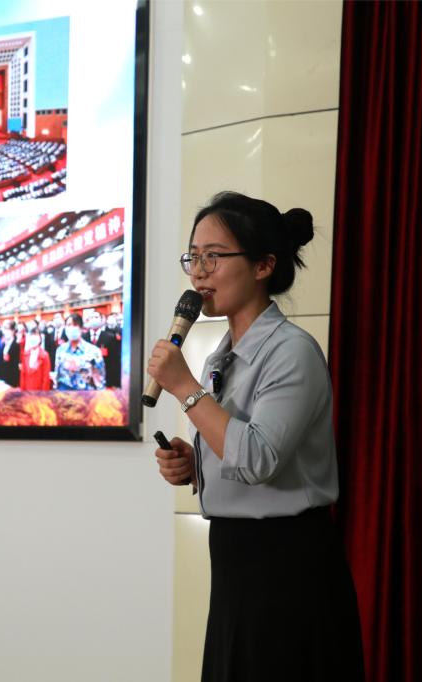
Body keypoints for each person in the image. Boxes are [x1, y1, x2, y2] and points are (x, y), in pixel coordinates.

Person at [147, 192, 364, 681]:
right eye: (193, 257)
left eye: (214, 257)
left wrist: (184, 387)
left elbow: (257, 459)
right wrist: (194, 465)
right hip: (235, 562)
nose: (199, 272)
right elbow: (236, 448)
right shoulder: (219, 357)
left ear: (264, 265)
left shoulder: (292, 352)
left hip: (288, 566)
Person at [53, 313, 106, 390]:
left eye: (75, 325)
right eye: (68, 325)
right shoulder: (60, 350)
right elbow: (57, 376)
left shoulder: (93, 351)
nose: (71, 328)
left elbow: (100, 381)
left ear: (81, 328)